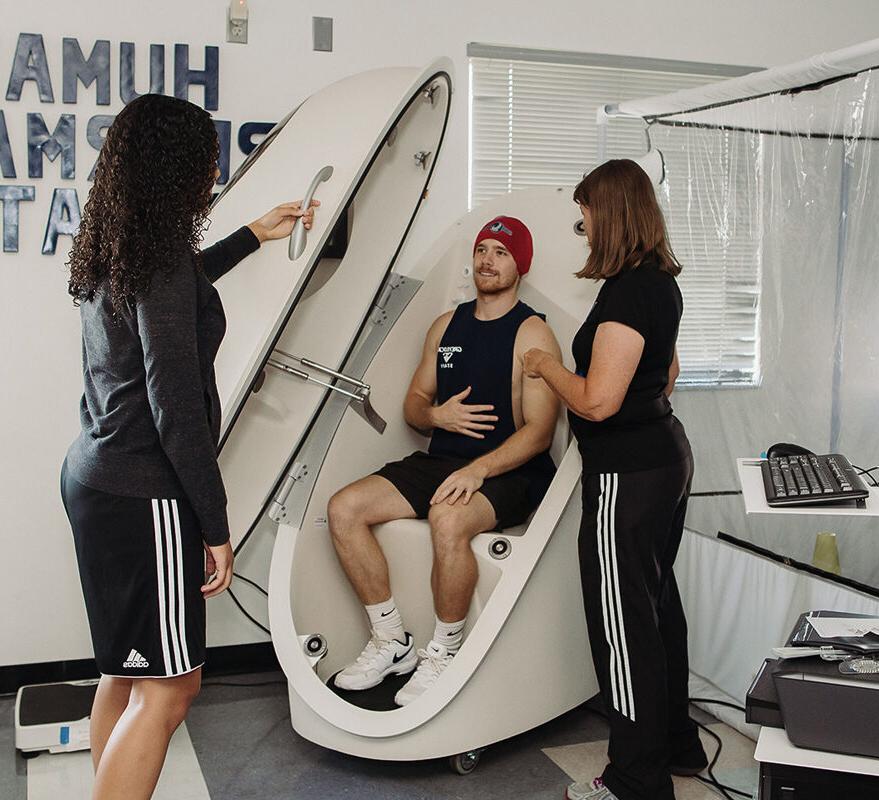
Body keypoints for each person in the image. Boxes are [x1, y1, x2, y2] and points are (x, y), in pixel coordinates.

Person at [60, 93, 316, 800]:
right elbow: (178, 413)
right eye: (207, 158)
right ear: (180, 168)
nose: (213, 171)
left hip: (95, 476)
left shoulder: (122, 245)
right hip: (143, 490)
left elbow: (173, 296)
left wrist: (250, 237)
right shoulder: (161, 259)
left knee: (128, 671)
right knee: (171, 691)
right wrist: (216, 526)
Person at [523, 160, 707, 800]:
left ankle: (634, 781)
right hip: (663, 458)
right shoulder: (659, 282)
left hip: (627, 476)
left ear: (614, 213)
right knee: (657, 609)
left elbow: (598, 402)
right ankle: (678, 745)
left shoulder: (630, 291)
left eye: (588, 213)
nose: (583, 225)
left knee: (623, 629)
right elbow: (667, 371)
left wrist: (547, 365)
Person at [328, 216, 561, 706]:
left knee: (448, 516)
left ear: (521, 263)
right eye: (482, 250)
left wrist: (478, 470)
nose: (487, 260)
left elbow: (539, 435)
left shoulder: (532, 332)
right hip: (445, 459)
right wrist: (438, 414)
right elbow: (413, 405)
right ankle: (392, 640)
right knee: (344, 508)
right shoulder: (447, 324)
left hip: (512, 469)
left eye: (501, 251)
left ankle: (445, 654)